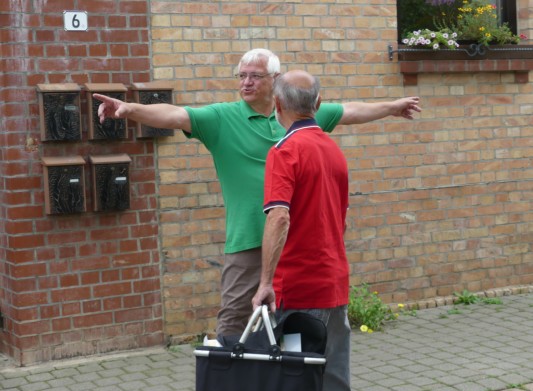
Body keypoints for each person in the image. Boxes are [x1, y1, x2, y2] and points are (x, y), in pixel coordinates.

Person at [93, 48, 421, 337]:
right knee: (235, 325)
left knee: (294, 329)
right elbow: (176, 114)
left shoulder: (297, 114)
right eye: (242, 76)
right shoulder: (222, 118)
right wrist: (130, 109)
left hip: (297, 246)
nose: (246, 82)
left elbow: (349, 111)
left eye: (255, 76)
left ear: (275, 81)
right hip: (249, 242)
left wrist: (391, 107)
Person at [251, 70, 351, 391]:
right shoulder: (334, 150)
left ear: (277, 104)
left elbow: (279, 217)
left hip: (299, 290)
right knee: (333, 381)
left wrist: (265, 282)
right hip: (334, 283)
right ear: (318, 104)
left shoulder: (285, 151)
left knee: (298, 384)